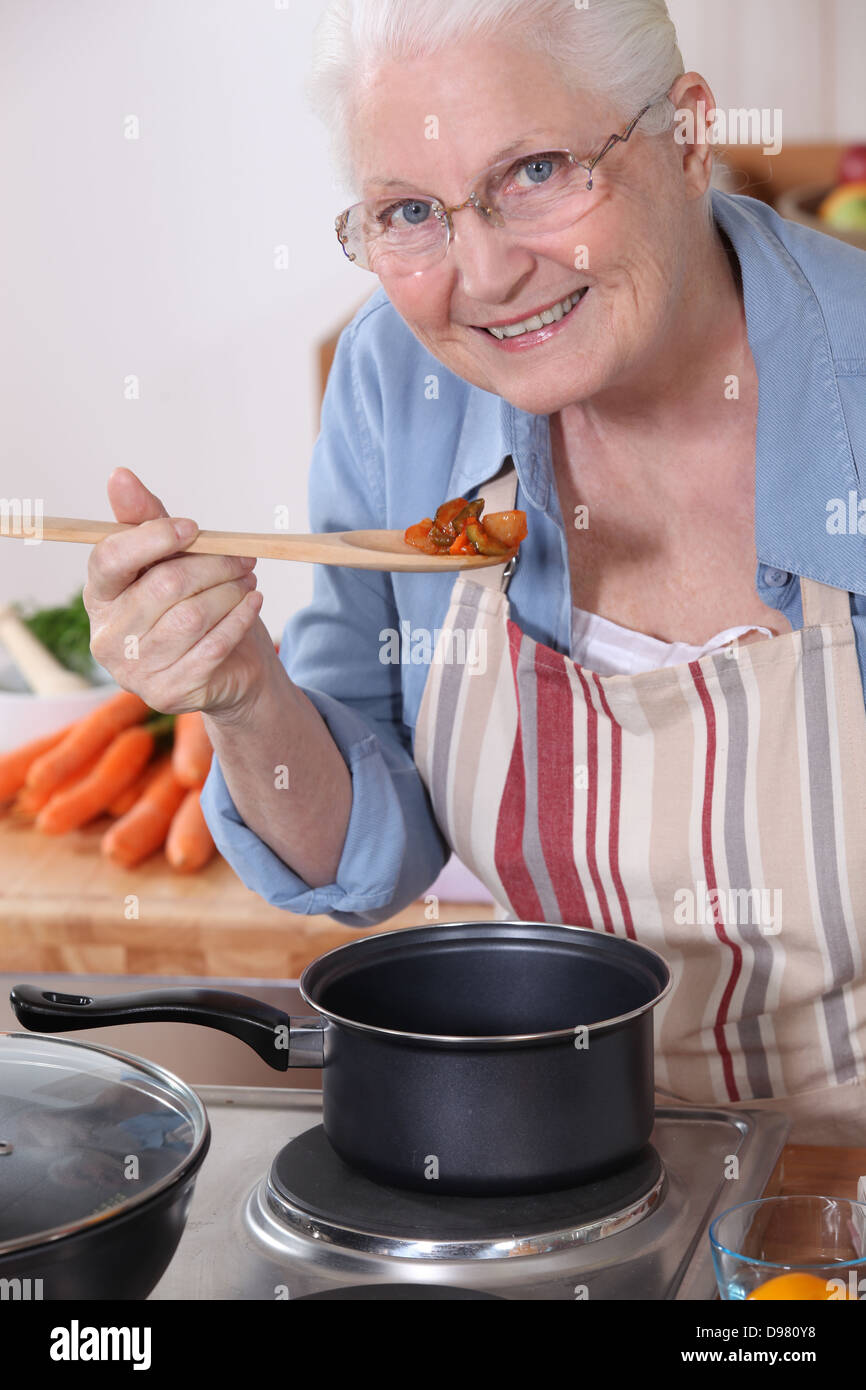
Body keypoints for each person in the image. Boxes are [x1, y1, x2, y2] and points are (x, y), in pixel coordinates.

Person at [85, 0, 866, 1143]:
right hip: (541, 1150)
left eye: (538, 171)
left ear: (689, 135)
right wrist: (245, 698)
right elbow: (372, 856)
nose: (485, 274)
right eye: (409, 211)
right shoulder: (395, 384)